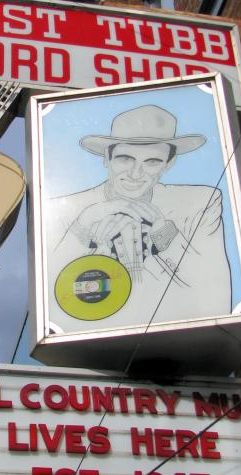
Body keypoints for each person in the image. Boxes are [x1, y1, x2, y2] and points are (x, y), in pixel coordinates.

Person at [46, 104, 231, 330]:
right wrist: (81, 231)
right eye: (125, 158)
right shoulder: (65, 210)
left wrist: (165, 235)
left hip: (178, 339)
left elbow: (215, 295)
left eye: (152, 162)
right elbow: (48, 300)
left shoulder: (200, 203)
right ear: (107, 158)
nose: (135, 173)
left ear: (169, 164)